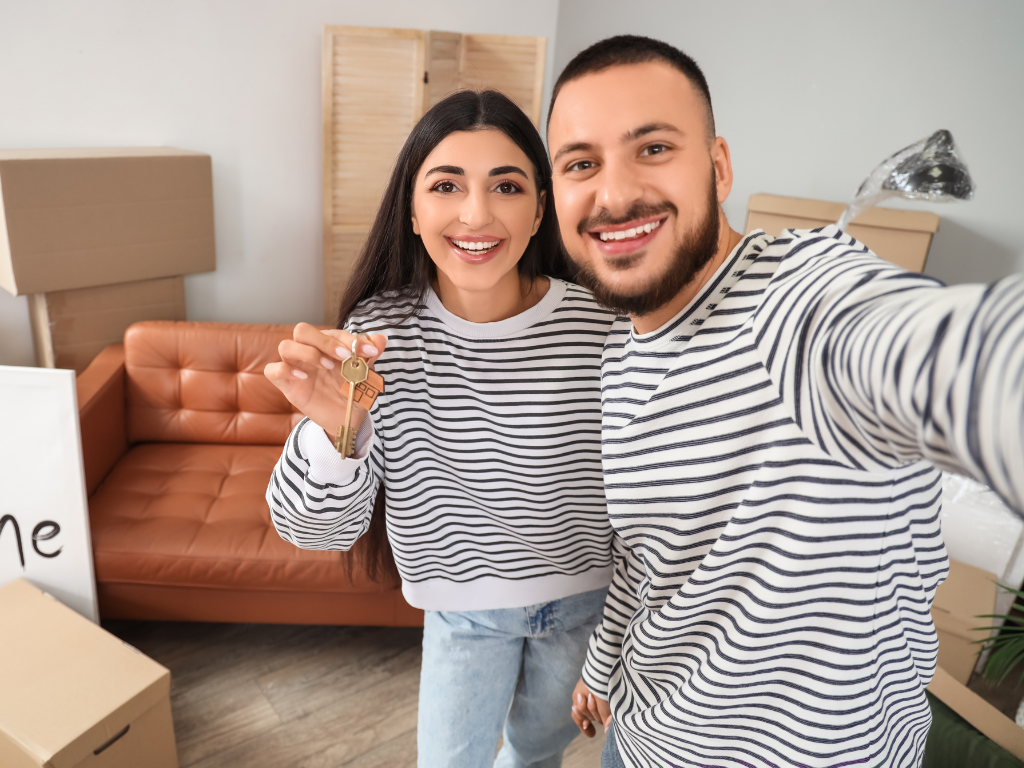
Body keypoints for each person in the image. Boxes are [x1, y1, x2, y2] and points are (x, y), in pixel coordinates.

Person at [546, 35, 1024, 768]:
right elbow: (646, 558)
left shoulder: (797, 297)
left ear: (719, 165)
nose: (612, 194)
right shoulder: (620, 359)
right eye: (582, 164)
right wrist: (603, 667)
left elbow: (947, 356)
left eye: (652, 148)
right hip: (643, 742)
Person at [264, 89, 619, 768]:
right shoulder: (381, 332)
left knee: (538, 756)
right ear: (414, 210)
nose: (477, 214)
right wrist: (335, 431)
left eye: (506, 186)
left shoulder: (598, 323)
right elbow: (316, 531)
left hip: (585, 606)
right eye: (446, 185)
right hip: (463, 613)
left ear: (540, 206)